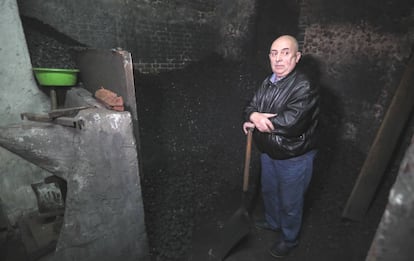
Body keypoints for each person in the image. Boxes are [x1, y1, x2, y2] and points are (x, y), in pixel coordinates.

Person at [242, 35, 319, 258]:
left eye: (285, 53)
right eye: (274, 53)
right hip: (269, 151)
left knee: (291, 202)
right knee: (270, 191)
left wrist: (257, 121)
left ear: (297, 57)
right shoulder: (268, 82)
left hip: (294, 156)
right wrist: (254, 115)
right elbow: (250, 105)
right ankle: (273, 222)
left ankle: (289, 239)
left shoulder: (304, 85)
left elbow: (293, 122)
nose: (279, 59)